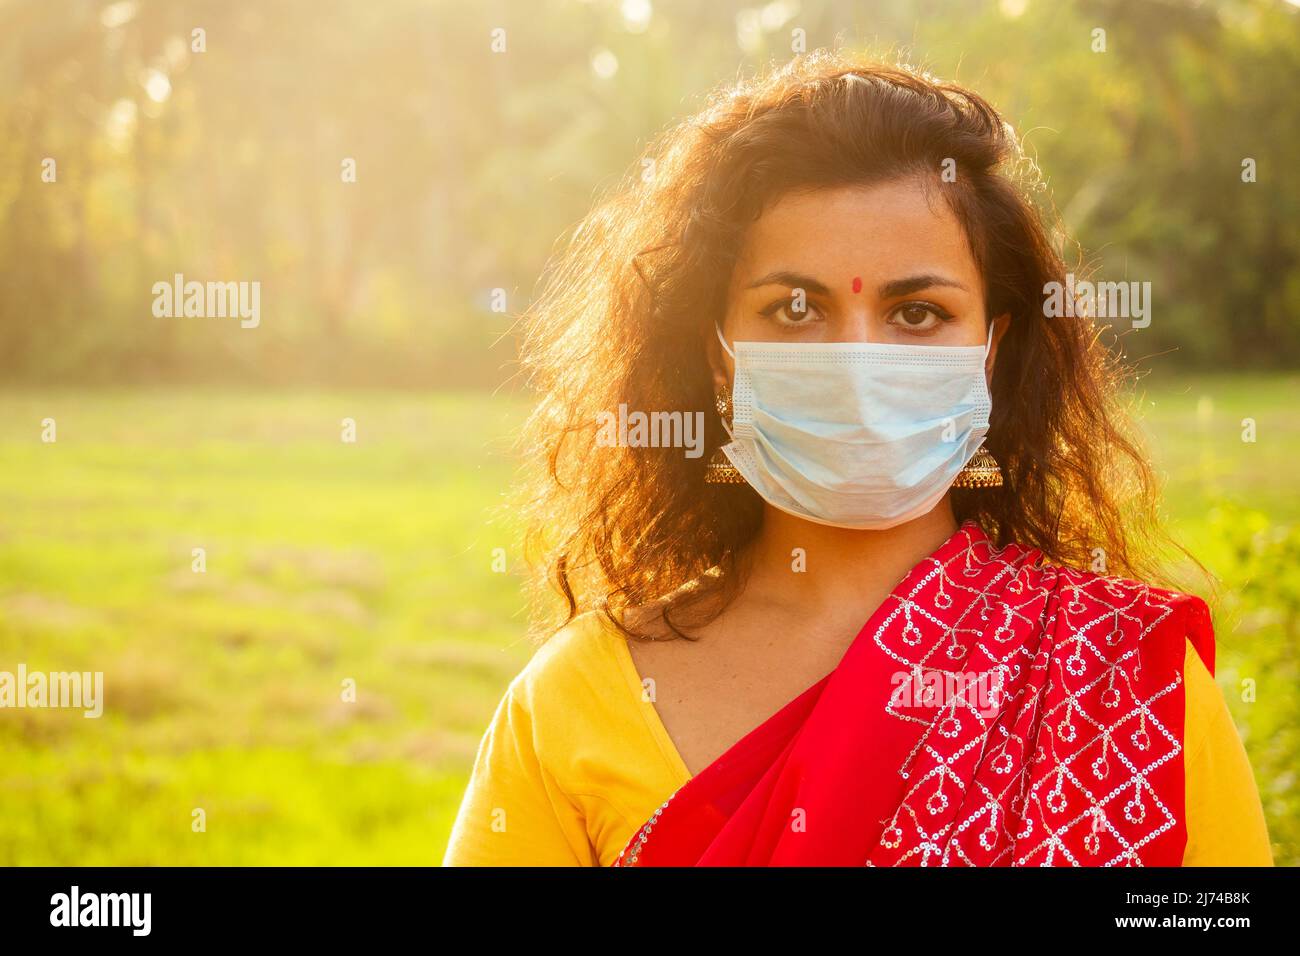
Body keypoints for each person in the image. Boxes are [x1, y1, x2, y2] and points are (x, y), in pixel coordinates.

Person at [443, 52, 1271, 867]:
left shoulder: (1123, 682)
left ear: (990, 348)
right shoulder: (578, 702)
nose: (857, 360)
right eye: (796, 308)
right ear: (720, 351)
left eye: (917, 313)